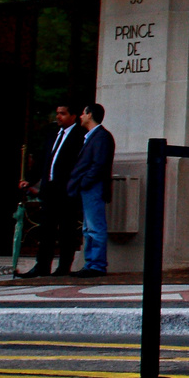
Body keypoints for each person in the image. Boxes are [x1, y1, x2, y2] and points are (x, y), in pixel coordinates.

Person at [16, 104, 86, 278]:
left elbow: (80, 165)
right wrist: (30, 181)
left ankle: (63, 267)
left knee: (66, 231)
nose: (58, 117)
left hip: (66, 191)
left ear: (73, 116)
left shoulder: (79, 136)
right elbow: (43, 161)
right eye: (57, 113)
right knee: (46, 229)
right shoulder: (53, 134)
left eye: (63, 114)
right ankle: (42, 266)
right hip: (50, 189)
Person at [66, 102, 115, 278]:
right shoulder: (94, 137)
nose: (81, 116)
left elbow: (98, 164)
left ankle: (97, 265)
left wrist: (85, 182)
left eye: (83, 113)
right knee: (88, 228)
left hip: (94, 187)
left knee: (95, 227)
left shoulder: (101, 137)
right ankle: (91, 263)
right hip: (90, 187)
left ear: (90, 114)